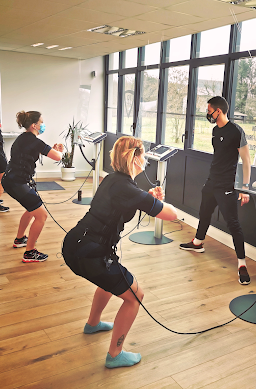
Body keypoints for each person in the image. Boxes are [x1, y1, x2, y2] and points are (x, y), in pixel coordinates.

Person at [62, 136, 177, 369]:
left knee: (107, 281)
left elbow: (124, 201)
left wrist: (147, 199)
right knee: (135, 296)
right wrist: (157, 203)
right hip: (90, 255)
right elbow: (171, 215)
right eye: (142, 155)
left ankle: (93, 324)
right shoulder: (127, 188)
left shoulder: (112, 180)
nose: (145, 160)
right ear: (134, 158)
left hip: (75, 245)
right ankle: (115, 355)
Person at [179, 96, 252, 285]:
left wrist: (245, 188)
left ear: (218, 111)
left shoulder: (236, 131)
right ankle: (197, 243)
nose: (208, 114)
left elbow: (246, 160)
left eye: (209, 110)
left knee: (233, 224)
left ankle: (242, 264)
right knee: (204, 213)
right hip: (212, 181)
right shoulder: (215, 130)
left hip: (226, 185)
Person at [2, 111, 64, 263]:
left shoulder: (23, 138)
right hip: (17, 183)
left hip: (11, 180)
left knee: (32, 209)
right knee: (41, 215)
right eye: (41, 122)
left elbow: (33, 151)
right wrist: (59, 152)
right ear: (34, 125)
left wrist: (53, 150)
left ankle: (20, 239)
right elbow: (57, 157)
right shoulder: (35, 141)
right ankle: (29, 252)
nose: (43, 125)